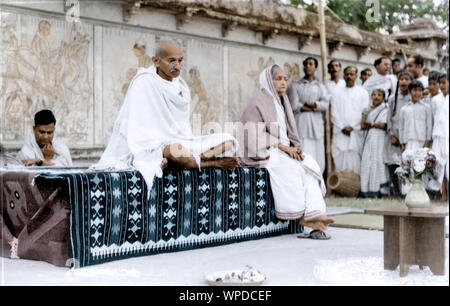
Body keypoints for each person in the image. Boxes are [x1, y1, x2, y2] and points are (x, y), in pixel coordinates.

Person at [93, 42, 239, 191]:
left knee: (227, 141)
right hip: (155, 144)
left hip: (181, 142)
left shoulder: (181, 86)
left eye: (180, 60)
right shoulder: (143, 82)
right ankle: (211, 163)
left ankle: (191, 159)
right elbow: (137, 125)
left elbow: (182, 128)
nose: (177, 65)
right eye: (172, 60)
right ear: (156, 61)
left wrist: (185, 144)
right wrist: (157, 148)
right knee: (173, 150)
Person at [239, 65, 334, 239]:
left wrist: (293, 148)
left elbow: (288, 132)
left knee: (310, 164)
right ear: (268, 80)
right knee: (292, 168)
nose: (283, 82)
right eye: (278, 79)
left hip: (283, 149)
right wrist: (283, 147)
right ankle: (304, 216)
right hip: (265, 151)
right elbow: (251, 135)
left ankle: (315, 215)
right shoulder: (258, 102)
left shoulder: (282, 101)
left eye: (285, 79)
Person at [287, 57, 329, 174]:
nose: (308, 66)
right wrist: (308, 107)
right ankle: (302, 175)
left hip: (316, 123)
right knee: (303, 147)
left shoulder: (320, 86)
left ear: (315, 67)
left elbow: (325, 104)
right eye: (306, 64)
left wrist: (313, 104)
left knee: (317, 151)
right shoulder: (296, 85)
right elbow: (294, 105)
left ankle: (317, 178)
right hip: (302, 121)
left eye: (311, 64)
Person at [330, 66, 369, 174]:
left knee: (355, 158)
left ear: (356, 76)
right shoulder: (336, 92)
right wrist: (342, 127)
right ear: (344, 75)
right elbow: (334, 112)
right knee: (340, 159)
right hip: (340, 131)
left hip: (355, 132)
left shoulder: (363, 92)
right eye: (347, 74)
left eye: (352, 74)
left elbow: (364, 112)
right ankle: (341, 187)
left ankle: (354, 187)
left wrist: (352, 126)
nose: (349, 76)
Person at [384, 71, 412, 196]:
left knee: (407, 163)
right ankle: (396, 190)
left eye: (407, 79)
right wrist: (391, 135)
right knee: (393, 163)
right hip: (394, 135)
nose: (404, 82)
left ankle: (407, 191)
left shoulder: (412, 97)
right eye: (401, 79)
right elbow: (388, 119)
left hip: (407, 135)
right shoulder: (392, 98)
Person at [360, 89, 390, 197]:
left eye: (379, 95)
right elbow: (362, 126)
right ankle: (368, 190)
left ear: (383, 97)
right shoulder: (367, 110)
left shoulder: (385, 109)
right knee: (368, 161)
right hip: (369, 138)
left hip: (380, 139)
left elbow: (385, 126)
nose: (376, 97)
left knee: (379, 161)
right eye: (374, 95)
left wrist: (371, 124)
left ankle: (382, 190)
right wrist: (374, 124)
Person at [399, 80, 433, 152]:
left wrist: (427, 142)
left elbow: (429, 126)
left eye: (420, 90)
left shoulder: (426, 108)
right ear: (410, 91)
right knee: (408, 162)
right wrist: (402, 143)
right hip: (408, 142)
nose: (417, 93)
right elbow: (401, 127)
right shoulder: (404, 109)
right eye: (414, 90)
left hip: (422, 142)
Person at [430, 72, 449, 201]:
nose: (441, 85)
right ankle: (442, 194)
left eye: (444, 82)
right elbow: (433, 118)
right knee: (439, 165)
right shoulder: (435, 100)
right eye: (440, 83)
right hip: (438, 136)